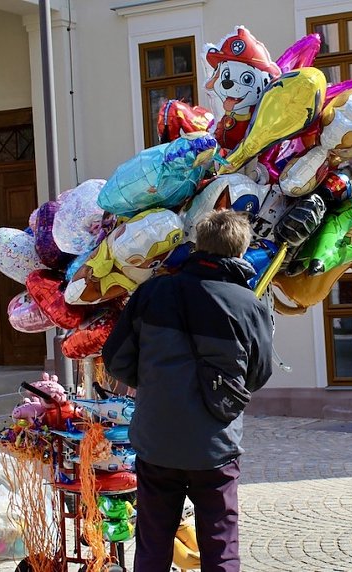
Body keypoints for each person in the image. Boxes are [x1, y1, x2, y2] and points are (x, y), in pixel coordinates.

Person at [102, 209, 274, 572]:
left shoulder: (152, 292)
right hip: (215, 443)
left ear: (197, 245)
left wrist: (155, 383)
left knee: (152, 543)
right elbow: (259, 373)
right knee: (221, 545)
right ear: (240, 252)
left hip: (157, 439)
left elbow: (116, 359)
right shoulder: (249, 305)